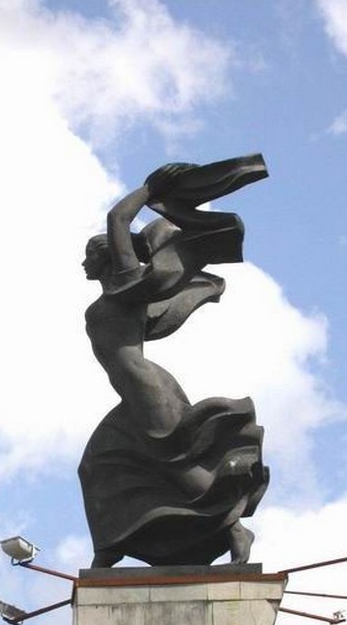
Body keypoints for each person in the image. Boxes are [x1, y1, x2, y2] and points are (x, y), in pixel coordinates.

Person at [78, 157, 269, 568]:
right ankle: (110, 547)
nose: (83, 263)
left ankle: (233, 528)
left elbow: (117, 218)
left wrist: (151, 188)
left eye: (89, 254)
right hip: (137, 390)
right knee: (99, 464)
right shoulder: (120, 294)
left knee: (177, 464)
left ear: (109, 256)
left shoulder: (126, 283)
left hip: (144, 388)